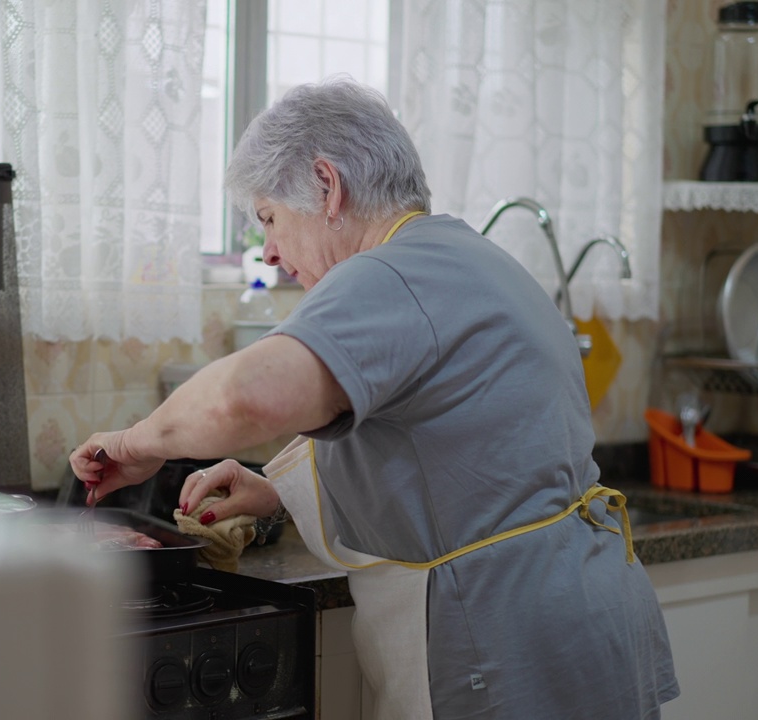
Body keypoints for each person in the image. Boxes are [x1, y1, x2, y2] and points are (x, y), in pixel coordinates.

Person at [69, 76, 678, 719]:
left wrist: (138, 444)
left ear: (328, 187)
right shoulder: (464, 255)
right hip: (575, 619)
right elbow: (454, 448)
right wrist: (275, 492)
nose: (270, 251)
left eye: (270, 217)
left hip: (502, 635)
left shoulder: (389, 273)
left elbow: (241, 399)